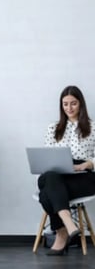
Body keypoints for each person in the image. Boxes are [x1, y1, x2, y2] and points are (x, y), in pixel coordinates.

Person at [38, 85, 95, 255]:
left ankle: (61, 232)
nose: (69, 108)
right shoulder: (53, 128)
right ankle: (69, 224)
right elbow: (47, 155)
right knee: (50, 178)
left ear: (81, 104)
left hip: (83, 175)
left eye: (73, 104)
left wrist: (87, 164)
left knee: (46, 192)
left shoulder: (93, 127)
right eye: (65, 104)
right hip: (56, 173)